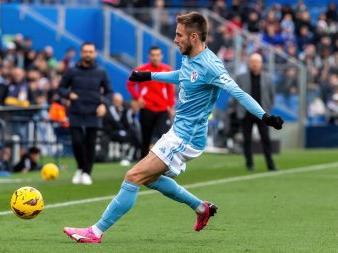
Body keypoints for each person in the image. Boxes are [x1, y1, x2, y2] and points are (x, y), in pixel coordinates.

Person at [63, 12, 283, 243]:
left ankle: (95, 232)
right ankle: (200, 208)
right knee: (148, 178)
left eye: (179, 35)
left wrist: (265, 116)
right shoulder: (189, 57)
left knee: (133, 175)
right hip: (178, 132)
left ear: (194, 37)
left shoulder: (212, 66)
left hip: (186, 138)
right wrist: (150, 76)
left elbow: (238, 92)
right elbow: (183, 76)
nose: (176, 39)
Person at [58, 42, 113, 185]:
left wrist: (104, 104)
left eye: (91, 51)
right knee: (76, 142)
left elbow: (109, 92)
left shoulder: (101, 72)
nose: (88, 54)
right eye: (85, 51)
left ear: (95, 53)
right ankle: (81, 168)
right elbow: (61, 88)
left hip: (93, 112)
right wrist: (69, 94)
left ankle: (87, 172)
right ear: (81, 53)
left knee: (90, 144)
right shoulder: (72, 71)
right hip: (75, 111)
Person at [127, 46, 175, 158]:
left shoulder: (166, 69)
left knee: (164, 138)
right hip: (147, 108)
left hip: (162, 109)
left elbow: (170, 89)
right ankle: (143, 165)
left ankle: (164, 163)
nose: (155, 57)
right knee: (145, 139)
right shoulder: (142, 69)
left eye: (157, 55)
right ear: (149, 56)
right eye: (153, 55)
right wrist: (138, 97)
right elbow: (130, 83)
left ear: (161, 56)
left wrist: (170, 106)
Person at [235, 53, 278, 171]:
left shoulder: (268, 78)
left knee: (266, 139)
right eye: (253, 62)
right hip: (246, 114)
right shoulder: (241, 77)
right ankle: (249, 164)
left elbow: (272, 96)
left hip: (262, 114)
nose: (255, 64)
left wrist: (267, 109)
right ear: (249, 63)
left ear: (261, 64)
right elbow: (235, 96)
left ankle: (270, 164)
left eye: (257, 62)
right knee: (247, 140)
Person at [103, 93, 141, 166]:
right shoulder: (111, 109)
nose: (119, 103)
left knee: (133, 135)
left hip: (121, 130)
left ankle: (132, 155)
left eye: (120, 101)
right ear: (113, 101)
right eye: (117, 101)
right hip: (112, 131)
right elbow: (116, 121)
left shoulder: (123, 109)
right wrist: (125, 129)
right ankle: (127, 156)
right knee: (130, 135)